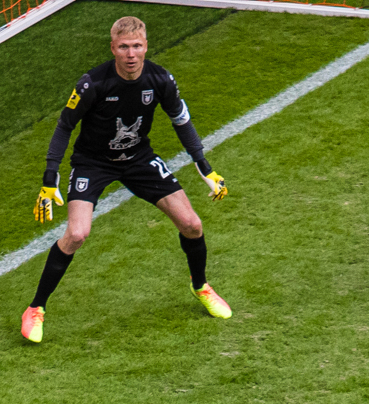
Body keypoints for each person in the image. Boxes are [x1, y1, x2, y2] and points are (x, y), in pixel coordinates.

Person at [21, 14, 231, 343]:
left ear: (146, 46)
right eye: (123, 47)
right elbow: (64, 127)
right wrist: (50, 177)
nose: (130, 54)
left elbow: (181, 120)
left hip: (138, 159)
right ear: (113, 49)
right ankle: (36, 308)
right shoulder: (93, 84)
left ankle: (201, 286)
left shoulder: (160, 79)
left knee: (192, 224)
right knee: (76, 233)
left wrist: (204, 167)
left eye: (136, 46)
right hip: (93, 163)